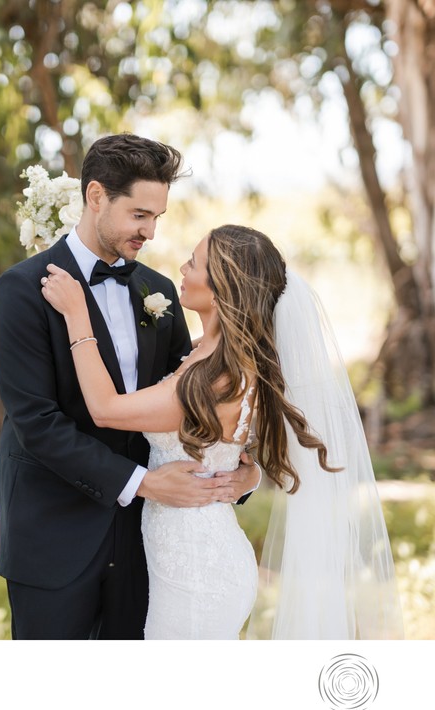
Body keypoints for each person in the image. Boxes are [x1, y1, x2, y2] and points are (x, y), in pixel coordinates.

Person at [41, 224, 403, 639]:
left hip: (196, 573)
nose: (181, 266)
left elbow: (105, 409)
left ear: (219, 290)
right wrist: (247, 473)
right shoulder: (209, 355)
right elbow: (238, 451)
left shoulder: (216, 379)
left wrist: (76, 315)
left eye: (193, 263)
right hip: (193, 556)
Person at [0, 134, 260, 640]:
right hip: (54, 534)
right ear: (96, 197)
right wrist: (142, 483)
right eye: (139, 215)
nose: (151, 232)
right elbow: (37, 426)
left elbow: (199, 403)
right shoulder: (21, 291)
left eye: (157, 216)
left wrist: (242, 477)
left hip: (148, 544)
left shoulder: (159, 291)